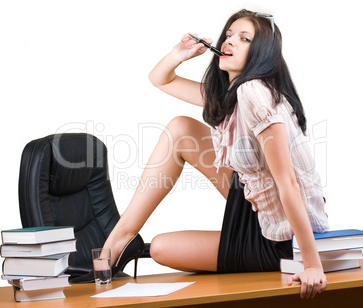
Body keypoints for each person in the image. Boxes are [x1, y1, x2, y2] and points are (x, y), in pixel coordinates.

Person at [102, 8, 330, 299]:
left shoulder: (255, 93)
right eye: (229, 34)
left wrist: (311, 264)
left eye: (244, 38)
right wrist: (180, 53)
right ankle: (119, 239)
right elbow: (161, 79)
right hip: (256, 204)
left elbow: (288, 183)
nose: (229, 41)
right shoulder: (233, 93)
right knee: (181, 129)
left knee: (160, 247)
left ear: (262, 53)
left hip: (281, 239)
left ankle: (116, 243)